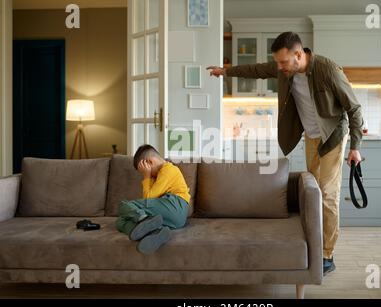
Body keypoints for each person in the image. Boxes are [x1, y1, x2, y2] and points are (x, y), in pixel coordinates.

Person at [207, 31, 364, 275]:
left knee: (327, 195)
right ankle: (314, 244)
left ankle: (326, 254)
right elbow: (257, 70)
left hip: (332, 134)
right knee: (313, 191)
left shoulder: (327, 70)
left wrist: (355, 146)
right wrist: (225, 71)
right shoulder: (285, 69)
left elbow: (353, 108)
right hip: (311, 136)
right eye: (277, 62)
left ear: (299, 55)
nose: (279, 68)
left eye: (283, 62)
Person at [116, 145, 191, 255]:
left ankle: (143, 219)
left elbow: (149, 198)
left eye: (143, 170)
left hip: (175, 206)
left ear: (149, 163)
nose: (148, 174)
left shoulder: (168, 170)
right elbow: (150, 202)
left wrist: (146, 176)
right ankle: (157, 233)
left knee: (124, 205)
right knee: (120, 221)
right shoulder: (160, 174)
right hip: (172, 217)